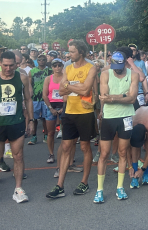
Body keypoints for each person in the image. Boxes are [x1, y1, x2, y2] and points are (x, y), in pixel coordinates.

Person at [0, 51, 34, 206]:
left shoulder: (22, 77)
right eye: (5, 65)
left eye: (11, 65)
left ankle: (18, 189)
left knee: (18, 156)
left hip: (16, 122)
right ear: (0, 64)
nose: (8, 68)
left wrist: (31, 120)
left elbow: (28, 100)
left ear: (16, 65)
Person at [46, 40, 97, 199]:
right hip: (69, 112)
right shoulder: (67, 68)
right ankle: (60, 186)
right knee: (66, 146)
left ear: (81, 52)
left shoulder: (91, 68)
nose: (69, 54)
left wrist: (69, 86)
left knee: (84, 147)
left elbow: (86, 89)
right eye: (69, 52)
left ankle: (84, 182)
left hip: (85, 112)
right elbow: (61, 90)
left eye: (72, 52)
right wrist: (73, 87)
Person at [94, 49, 139, 203]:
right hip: (109, 117)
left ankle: (120, 187)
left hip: (125, 117)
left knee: (122, 152)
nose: (117, 69)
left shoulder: (133, 74)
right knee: (104, 154)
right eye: (115, 65)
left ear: (125, 62)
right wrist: (123, 96)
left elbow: (132, 99)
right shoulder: (105, 74)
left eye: (120, 66)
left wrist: (113, 98)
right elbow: (104, 98)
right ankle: (99, 190)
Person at [42, 58, 64, 165]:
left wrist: (63, 108)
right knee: (50, 132)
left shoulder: (66, 78)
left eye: (59, 65)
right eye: (55, 66)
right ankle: (51, 154)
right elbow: (44, 94)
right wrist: (50, 108)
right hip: (51, 105)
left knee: (66, 133)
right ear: (52, 67)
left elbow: (69, 93)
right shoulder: (48, 79)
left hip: (63, 105)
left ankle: (65, 153)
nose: (57, 68)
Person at [129, 106, 148, 187]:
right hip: (139, 115)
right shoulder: (131, 126)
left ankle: (146, 174)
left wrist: (142, 169)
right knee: (135, 148)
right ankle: (135, 175)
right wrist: (130, 166)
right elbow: (128, 149)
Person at [28, 54, 52, 145]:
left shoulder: (50, 71)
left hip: (46, 97)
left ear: (46, 61)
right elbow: (29, 85)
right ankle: (34, 136)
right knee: (34, 118)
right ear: (37, 61)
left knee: (45, 118)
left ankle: (46, 135)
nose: (41, 61)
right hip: (35, 98)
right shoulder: (32, 71)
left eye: (43, 59)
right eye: (39, 59)